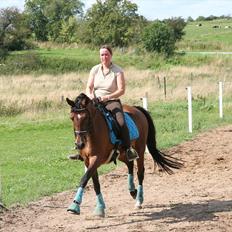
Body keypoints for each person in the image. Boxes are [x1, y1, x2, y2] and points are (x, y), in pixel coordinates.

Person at [68, 44, 138, 162]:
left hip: (111, 101)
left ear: (111, 55)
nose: (104, 57)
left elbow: (121, 90)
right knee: (80, 121)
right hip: (94, 101)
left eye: (106, 54)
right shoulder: (95, 70)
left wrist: (106, 97)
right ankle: (80, 150)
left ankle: (128, 149)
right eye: (102, 55)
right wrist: (90, 97)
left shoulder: (118, 71)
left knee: (120, 122)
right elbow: (89, 87)